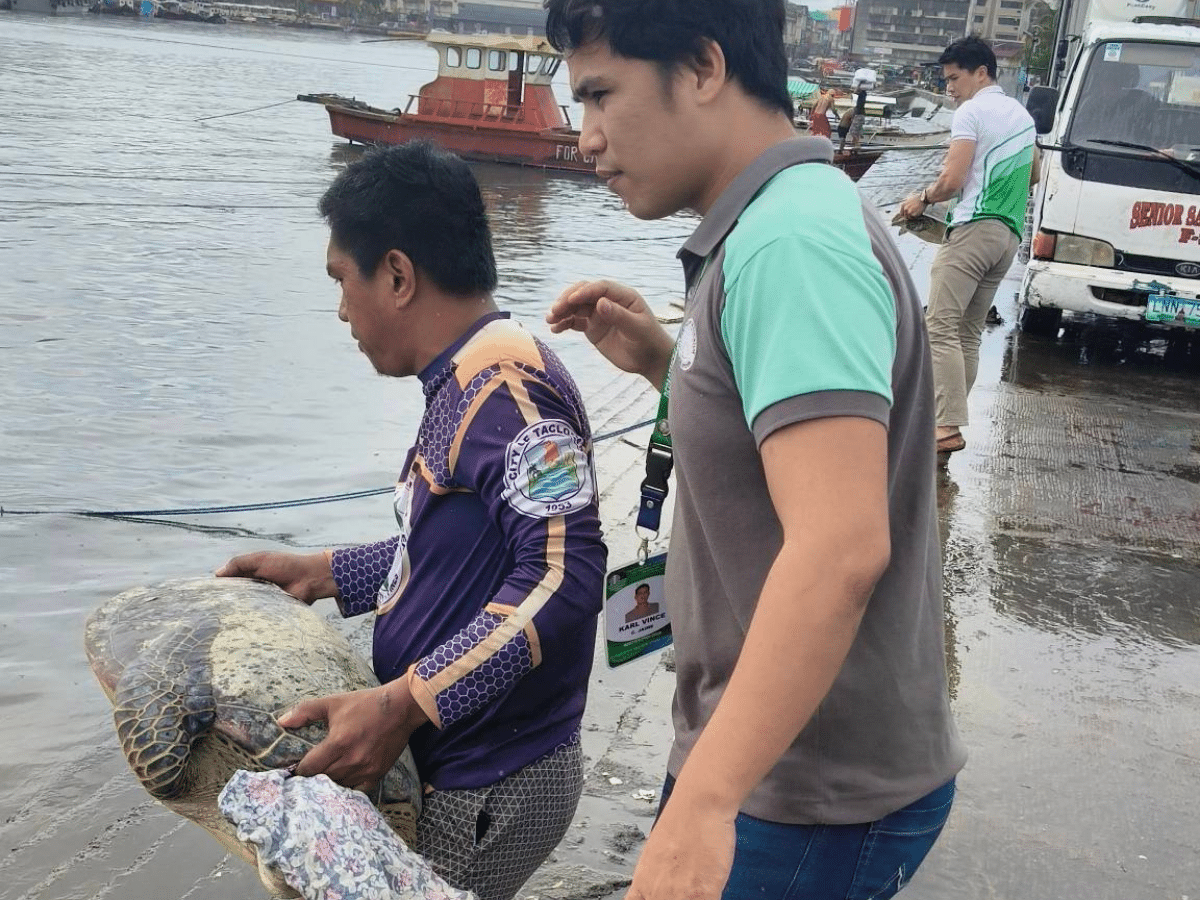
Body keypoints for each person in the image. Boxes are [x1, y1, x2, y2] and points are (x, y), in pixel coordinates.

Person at [543, 2, 966, 899]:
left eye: (601, 94)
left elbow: (839, 548)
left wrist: (704, 802)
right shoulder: (785, 215)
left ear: (702, 67)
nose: (585, 138)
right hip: (778, 758)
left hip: (806, 784)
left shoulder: (789, 243)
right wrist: (673, 367)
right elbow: (797, 457)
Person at [216, 141, 607, 900]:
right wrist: (329, 571)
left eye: (341, 280)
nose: (339, 311)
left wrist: (405, 702)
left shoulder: (509, 393)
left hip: (490, 780)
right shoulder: (466, 377)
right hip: (474, 769)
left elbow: (564, 573)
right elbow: (463, 552)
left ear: (396, 275)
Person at [899, 36, 1038, 460]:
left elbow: (951, 182)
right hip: (1008, 236)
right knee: (967, 334)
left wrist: (919, 199)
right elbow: (1034, 174)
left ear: (981, 72)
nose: (950, 89)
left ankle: (943, 428)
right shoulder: (1021, 115)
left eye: (955, 78)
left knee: (938, 327)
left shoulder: (972, 112)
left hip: (974, 231)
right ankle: (947, 426)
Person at [839, 87, 868, 153]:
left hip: (858, 115)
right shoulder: (862, 96)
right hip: (859, 115)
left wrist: (856, 88)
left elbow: (856, 91)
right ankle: (855, 145)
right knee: (855, 132)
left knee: (853, 132)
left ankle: (857, 146)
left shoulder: (862, 95)